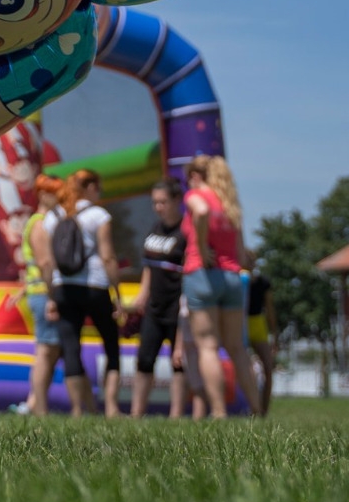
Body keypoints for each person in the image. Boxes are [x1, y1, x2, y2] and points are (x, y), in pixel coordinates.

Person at [181, 155, 263, 418]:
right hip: (231, 277)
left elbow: (201, 212)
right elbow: (241, 255)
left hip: (202, 274)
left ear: (197, 175)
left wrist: (203, 246)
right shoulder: (230, 204)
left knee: (207, 345)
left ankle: (218, 412)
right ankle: (257, 410)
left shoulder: (197, 195)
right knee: (237, 348)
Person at [47, 169, 125, 417]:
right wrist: (118, 293)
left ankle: (77, 409)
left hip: (63, 287)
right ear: (90, 187)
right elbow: (108, 256)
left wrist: (51, 295)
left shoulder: (54, 216)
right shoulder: (98, 215)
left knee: (70, 347)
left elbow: (49, 261)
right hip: (95, 285)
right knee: (111, 343)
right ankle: (111, 407)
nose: (99, 193)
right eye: (98, 188)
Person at [130, 179, 190, 418]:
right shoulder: (154, 229)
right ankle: (137, 413)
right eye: (155, 202)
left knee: (179, 363)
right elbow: (148, 266)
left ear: (177, 200)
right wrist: (142, 294)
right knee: (144, 360)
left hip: (177, 306)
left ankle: (176, 415)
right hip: (154, 307)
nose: (158, 207)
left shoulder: (186, 233)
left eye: (163, 202)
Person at [16, 175, 66, 416]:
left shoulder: (43, 221)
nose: (60, 198)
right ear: (43, 194)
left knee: (50, 350)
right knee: (45, 351)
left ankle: (34, 402)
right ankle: (37, 406)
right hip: (44, 293)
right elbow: (45, 262)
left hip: (39, 291)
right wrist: (53, 296)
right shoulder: (39, 223)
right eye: (55, 193)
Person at [245, 256, 278, 416]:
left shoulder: (263, 283)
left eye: (251, 260)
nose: (249, 263)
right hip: (240, 324)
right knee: (246, 369)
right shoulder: (236, 281)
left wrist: (275, 334)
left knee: (268, 367)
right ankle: (252, 407)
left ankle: (263, 411)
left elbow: (270, 310)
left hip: (258, 324)